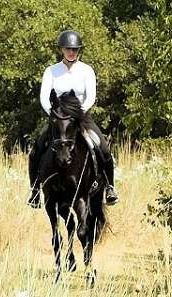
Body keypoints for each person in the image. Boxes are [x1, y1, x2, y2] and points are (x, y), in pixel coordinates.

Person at [28, 30, 119, 208]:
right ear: (62, 49)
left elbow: (91, 96)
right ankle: (35, 191)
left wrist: (77, 115)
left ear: (79, 50)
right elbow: (44, 97)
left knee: (103, 148)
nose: (71, 52)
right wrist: (55, 116)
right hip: (57, 120)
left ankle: (109, 187)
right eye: (68, 49)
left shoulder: (86, 70)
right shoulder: (51, 71)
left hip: (81, 119)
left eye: (75, 49)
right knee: (36, 149)